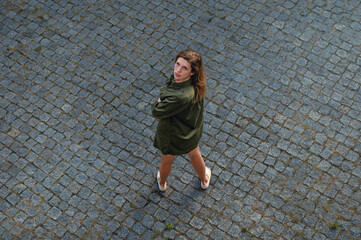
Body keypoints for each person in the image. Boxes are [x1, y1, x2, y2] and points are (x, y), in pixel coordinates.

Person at [151, 49, 211, 192]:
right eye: (177, 64)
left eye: (184, 68)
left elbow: (157, 110)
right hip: (190, 129)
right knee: (195, 153)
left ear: (192, 72)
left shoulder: (180, 96)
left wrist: (160, 101)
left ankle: (162, 183)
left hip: (172, 134)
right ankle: (204, 180)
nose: (177, 70)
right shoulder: (197, 84)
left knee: (166, 160)